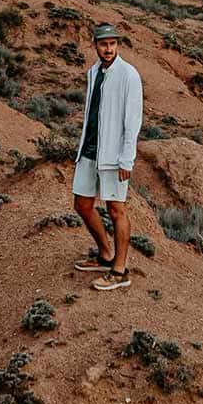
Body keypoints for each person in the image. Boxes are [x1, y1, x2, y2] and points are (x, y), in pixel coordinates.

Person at [71, 21, 143, 292]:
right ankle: (105, 254)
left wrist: (127, 159)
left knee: (116, 209)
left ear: (117, 45)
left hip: (114, 156)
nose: (109, 48)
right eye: (104, 44)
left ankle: (120, 270)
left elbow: (133, 120)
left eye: (112, 44)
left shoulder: (129, 75)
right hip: (89, 151)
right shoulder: (93, 72)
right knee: (82, 204)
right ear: (96, 46)